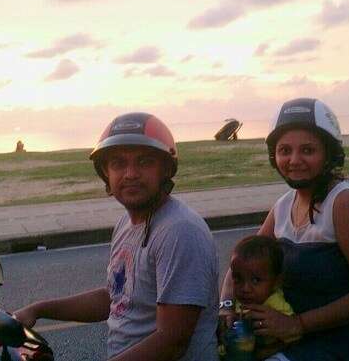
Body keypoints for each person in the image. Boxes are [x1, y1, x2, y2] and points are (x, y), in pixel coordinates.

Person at [15, 112, 220, 361]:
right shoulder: (126, 223)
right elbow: (117, 297)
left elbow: (172, 341)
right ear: (106, 174)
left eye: (144, 162)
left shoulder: (179, 231)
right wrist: (39, 309)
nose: (130, 173)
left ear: (165, 169)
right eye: (118, 163)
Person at [219, 98, 349, 361]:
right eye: (284, 150)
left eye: (308, 150)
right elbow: (241, 263)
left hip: (345, 341)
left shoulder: (346, 203)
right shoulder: (283, 205)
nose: (294, 160)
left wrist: (296, 324)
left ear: (328, 154)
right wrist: (226, 307)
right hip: (291, 334)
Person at [220, 235, 297, 360]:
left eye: (255, 280)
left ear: (276, 282)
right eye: (238, 279)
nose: (245, 288)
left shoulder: (276, 305)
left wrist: (265, 352)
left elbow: (292, 337)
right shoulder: (237, 301)